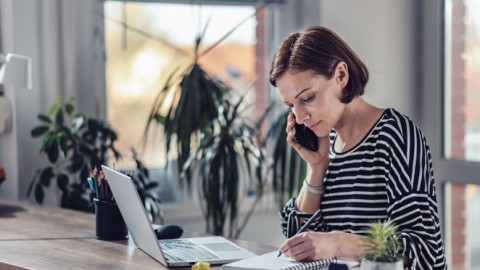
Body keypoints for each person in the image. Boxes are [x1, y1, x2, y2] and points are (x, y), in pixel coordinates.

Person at [269, 26, 446, 270]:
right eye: (291, 105)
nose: (299, 117)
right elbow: (301, 243)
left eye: (307, 98)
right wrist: (317, 168)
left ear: (341, 75)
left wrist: (340, 243)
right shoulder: (327, 144)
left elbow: (425, 251)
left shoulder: (395, 135)